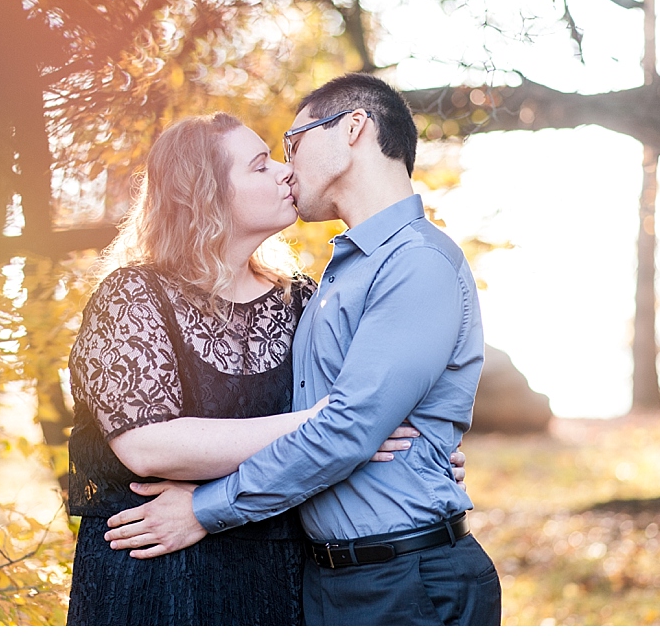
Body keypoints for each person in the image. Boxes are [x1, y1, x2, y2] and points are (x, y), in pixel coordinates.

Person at [104, 73, 502, 626]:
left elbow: (347, 428)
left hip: (400, 575)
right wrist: (410, 446)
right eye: (268, 159)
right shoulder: (337, 277)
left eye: (292, 142)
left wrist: (203, 508)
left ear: (353, 129)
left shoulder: (416, 262)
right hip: (323, 580)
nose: (287, 166)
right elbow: (337, 421)